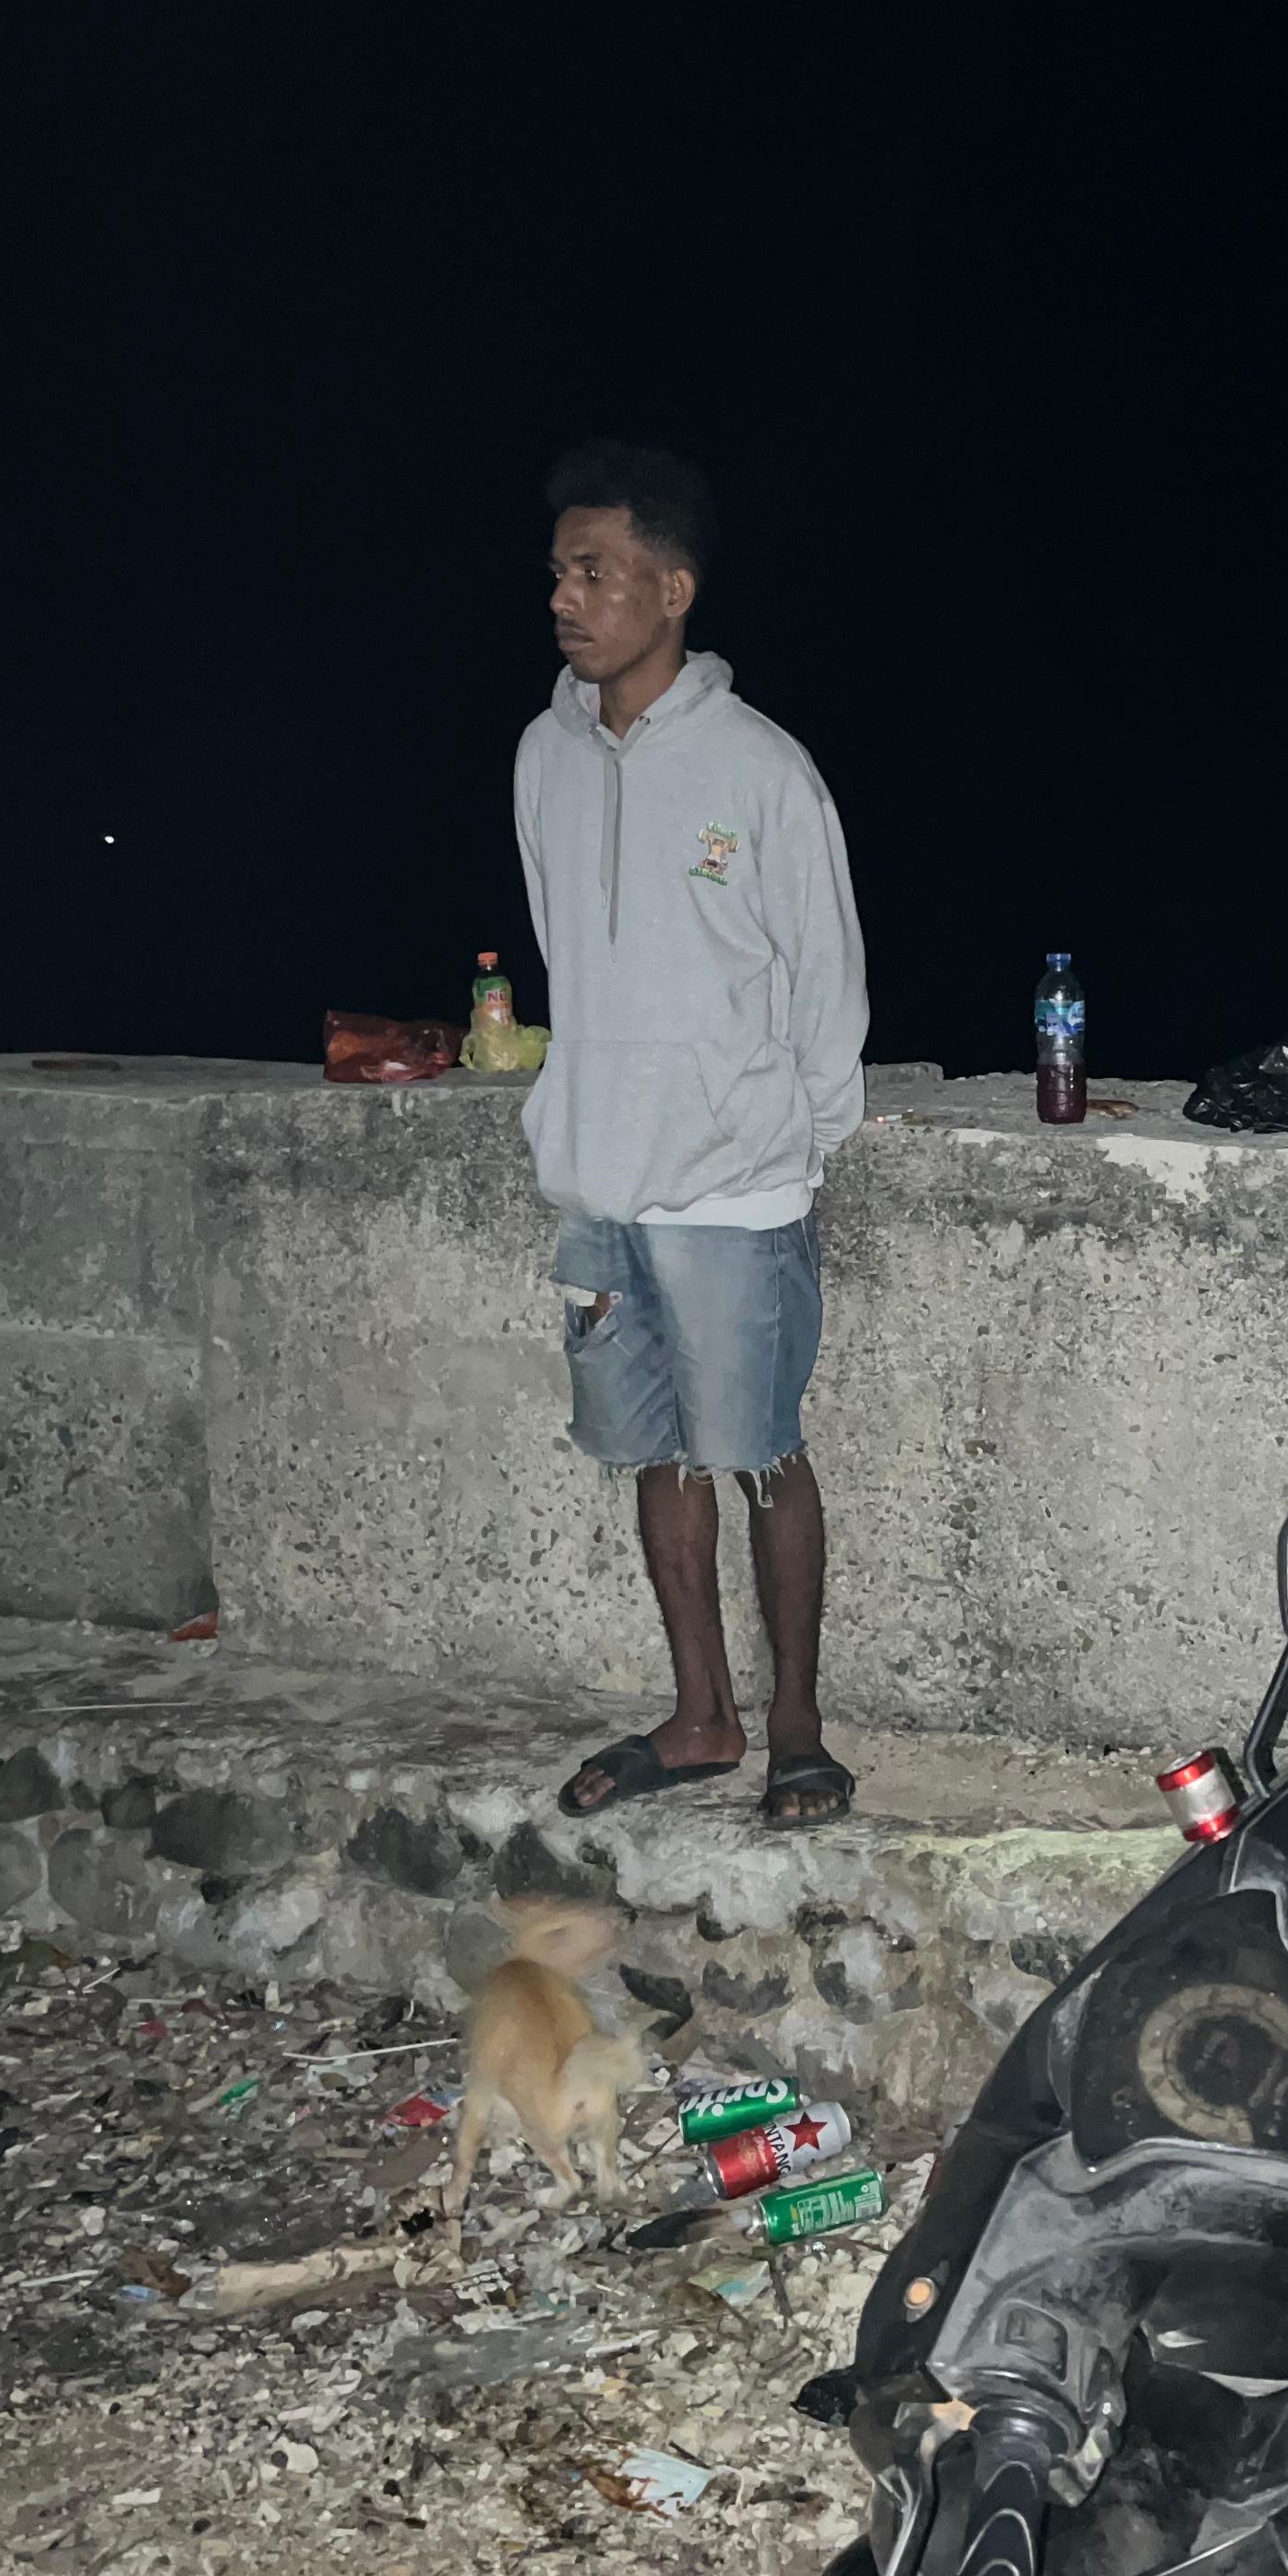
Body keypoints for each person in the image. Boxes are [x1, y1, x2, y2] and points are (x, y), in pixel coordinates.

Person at [521, 444, 873, 1831]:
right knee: (655, 1457)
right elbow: (567, 953)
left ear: (672, 589)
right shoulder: (541, 756)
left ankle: (797, 1723)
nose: (566, 594)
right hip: (602, 1178)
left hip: (736, 1187)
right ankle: (700, 1713)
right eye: (557, 570)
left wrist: (791, 1142)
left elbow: (824, 976)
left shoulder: (761, 768)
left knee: (764, 1452)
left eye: (594, 570)